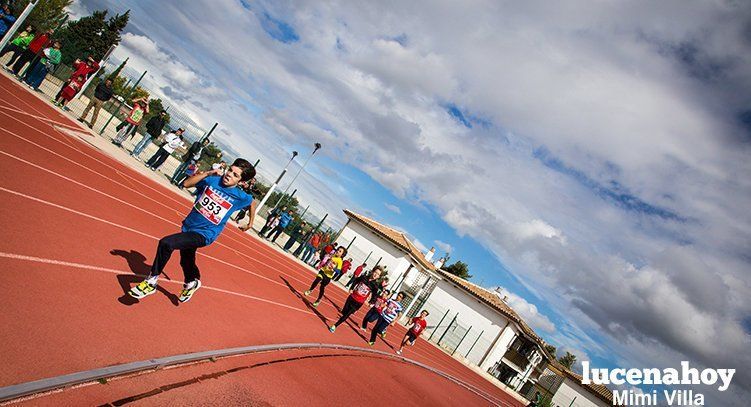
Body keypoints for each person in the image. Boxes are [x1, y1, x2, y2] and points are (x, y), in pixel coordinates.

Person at [129, 158, 257, 302]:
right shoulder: (212, 181)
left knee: (166, 243)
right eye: (230, 170)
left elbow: (253, 203)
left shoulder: (240, 197)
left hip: (206, 234)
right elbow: (186, 184)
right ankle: (191, 282)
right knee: (186, 260)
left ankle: (151, 282)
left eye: (235, 175)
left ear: (240, 182)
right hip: (189, 226)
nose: (229, 175)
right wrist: (208, 173)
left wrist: (250, 223)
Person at [328, 266, 382, 333]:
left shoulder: (375, 286)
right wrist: (351, 288)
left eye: (378, 274)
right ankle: (344, 315)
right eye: (375, 272)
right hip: (352, 297)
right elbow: (356, 281)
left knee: (347, 315)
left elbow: (374, 296)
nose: (375, 275)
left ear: (378, 277)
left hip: (359, 302)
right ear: (372, 271)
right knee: (344, 312)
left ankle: (335, 326)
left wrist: (371, 302)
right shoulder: (364, 277)